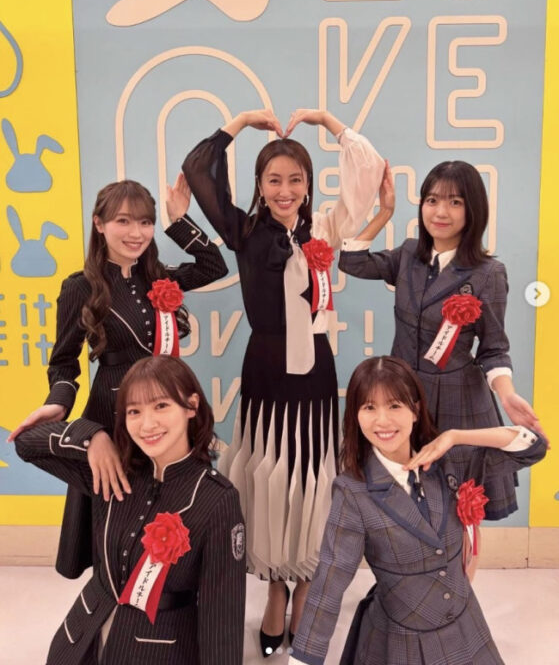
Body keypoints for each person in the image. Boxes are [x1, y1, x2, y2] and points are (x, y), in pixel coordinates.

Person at [183, 108, 385, 653]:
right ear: (260, 185)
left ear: (308, 185)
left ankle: (305, 584)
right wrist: (241, 122)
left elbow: (368, 171)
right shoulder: (243, 230)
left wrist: (328, 122)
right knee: (271, 471)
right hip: (266, 366)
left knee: (311, 472)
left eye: (296, 180)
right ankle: (275, 585)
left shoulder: (326, 228)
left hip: (315, 368)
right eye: (273, 180)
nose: (285, 190)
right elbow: (199, 169)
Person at [8, 175, 227, 578]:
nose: (136, 233)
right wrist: (59, 403)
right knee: (119, 513)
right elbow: (64, 361)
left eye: (145, 222)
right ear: (99, 224)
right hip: (112, 410)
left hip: (166, 409)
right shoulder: (80, 287)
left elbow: (215, 265)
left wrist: (179, 220)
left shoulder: (159, 278)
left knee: (168, 515)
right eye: (123, 221)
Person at [289, 355, 546, 665]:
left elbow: (533, 447)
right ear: (355, 415)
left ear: (415, 410)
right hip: (399, 641)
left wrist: (455, 436)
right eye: (369, 407)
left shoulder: (449, 460)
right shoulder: (353, 492)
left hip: (466, 631)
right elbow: (330, 583)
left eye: (394, 406)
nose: (382, 421)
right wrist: (303, 660)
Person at [338, 160, 546, 524]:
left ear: (473, 209)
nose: (440, 212)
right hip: (404, 397)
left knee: (457, 508)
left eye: (455, 202)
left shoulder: (488, 274)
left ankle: (458, 565)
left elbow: (494, 348)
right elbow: (352, 261)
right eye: (432, 200)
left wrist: (507, 394)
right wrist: (385, 212)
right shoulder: (408, 256)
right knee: (403, 501)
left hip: (458, 399)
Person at [14, 355, 246, 665]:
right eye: (134, 411)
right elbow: (25, 443)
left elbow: (222, 619)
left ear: (191, 406)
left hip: (158, 651)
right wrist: (91, 437)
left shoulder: (216, 499)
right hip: (80, 641)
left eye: (161, 406)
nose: (147, 425)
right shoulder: (111, 471)